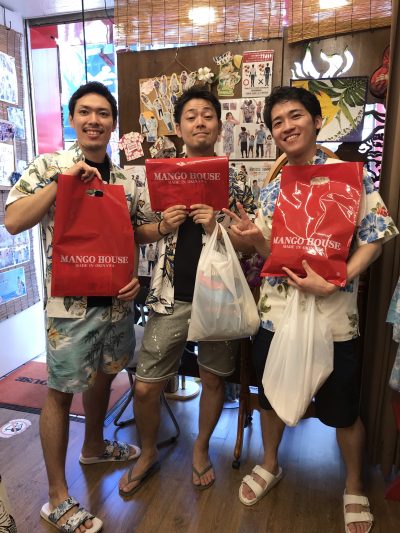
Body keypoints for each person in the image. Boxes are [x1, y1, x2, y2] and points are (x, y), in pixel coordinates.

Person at [223, 86, 398, 533]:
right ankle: (270, 463)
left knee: (342, 408)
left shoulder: (351, 177)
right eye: (277, 122)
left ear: (317, 121)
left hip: (335, 318)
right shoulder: (273, 188)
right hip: (276, 315)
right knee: (270, 398)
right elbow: (272, 253)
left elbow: (375, 239)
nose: (287, 127)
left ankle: (354, 484)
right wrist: (253, 239)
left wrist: (337, 279)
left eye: (295, 116)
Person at [5, 81, 141, 533]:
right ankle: (56, 497)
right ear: (72, 118)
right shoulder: (49, 166)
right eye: (85, 112)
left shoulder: (124, 179)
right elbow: (13, 220)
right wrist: (62, 185)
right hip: (69, 309)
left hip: (116, 303)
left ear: (113, 122)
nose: (93, 120)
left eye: (103, 113)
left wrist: (137, 275)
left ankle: (95, 446)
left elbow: (134, 233)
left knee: (105, 375)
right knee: (61, 392)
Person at [118, 86, 257, 496]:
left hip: (220, 296)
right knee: (147, 384)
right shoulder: (160, 174)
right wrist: (164, 225)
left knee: (213, 380)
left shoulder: (235, 177)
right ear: (178, 128)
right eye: (191, 116)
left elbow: (252, 243)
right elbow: (137, 232)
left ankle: (200, 449)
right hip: (169, 294)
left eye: (208, 115)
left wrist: (218, 224)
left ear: (219, 126)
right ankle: (147, 452)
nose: (200, 122)